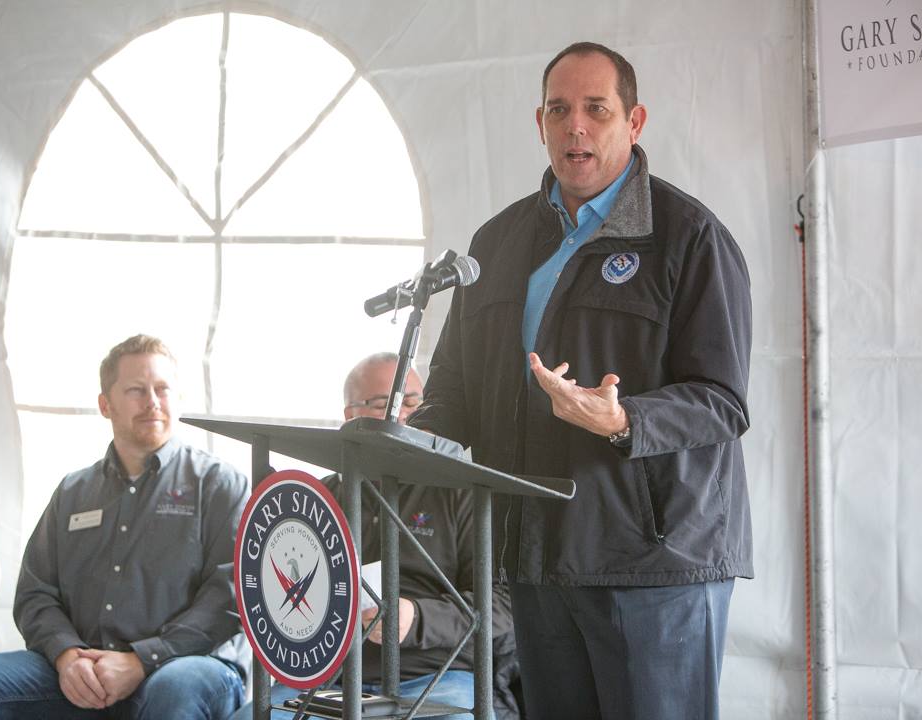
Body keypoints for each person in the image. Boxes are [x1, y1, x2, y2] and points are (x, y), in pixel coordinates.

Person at [406, 42, 753, 720]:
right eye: (559, 110)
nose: (577, 127)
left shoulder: (690, 239)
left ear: (635, 121)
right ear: (540, 123)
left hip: (655, 568)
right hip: (535, 561)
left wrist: (624, 422)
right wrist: (393, 439)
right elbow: (454, 390)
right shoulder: (495, 244)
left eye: (597, 109)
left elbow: (723, 400)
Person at [0, 334, 250, 719]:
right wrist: (65, 655)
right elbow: (35, 592)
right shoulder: (74, 492)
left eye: (163, 388)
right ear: (104, 405)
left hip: (186, 664)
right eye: (136, 390)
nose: (153, 401)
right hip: (83, 667)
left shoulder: (219, 485)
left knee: (173, 691)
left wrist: (142, 660)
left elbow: (229, 600)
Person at [261, 353, 517, 720]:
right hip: (326, 679)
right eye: (385, 404)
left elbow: (505, 606)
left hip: (436, 675)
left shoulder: (464, 494)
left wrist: (416, 619)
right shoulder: (316, 499)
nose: (404, 415)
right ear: (350, 416)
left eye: (413, 401)